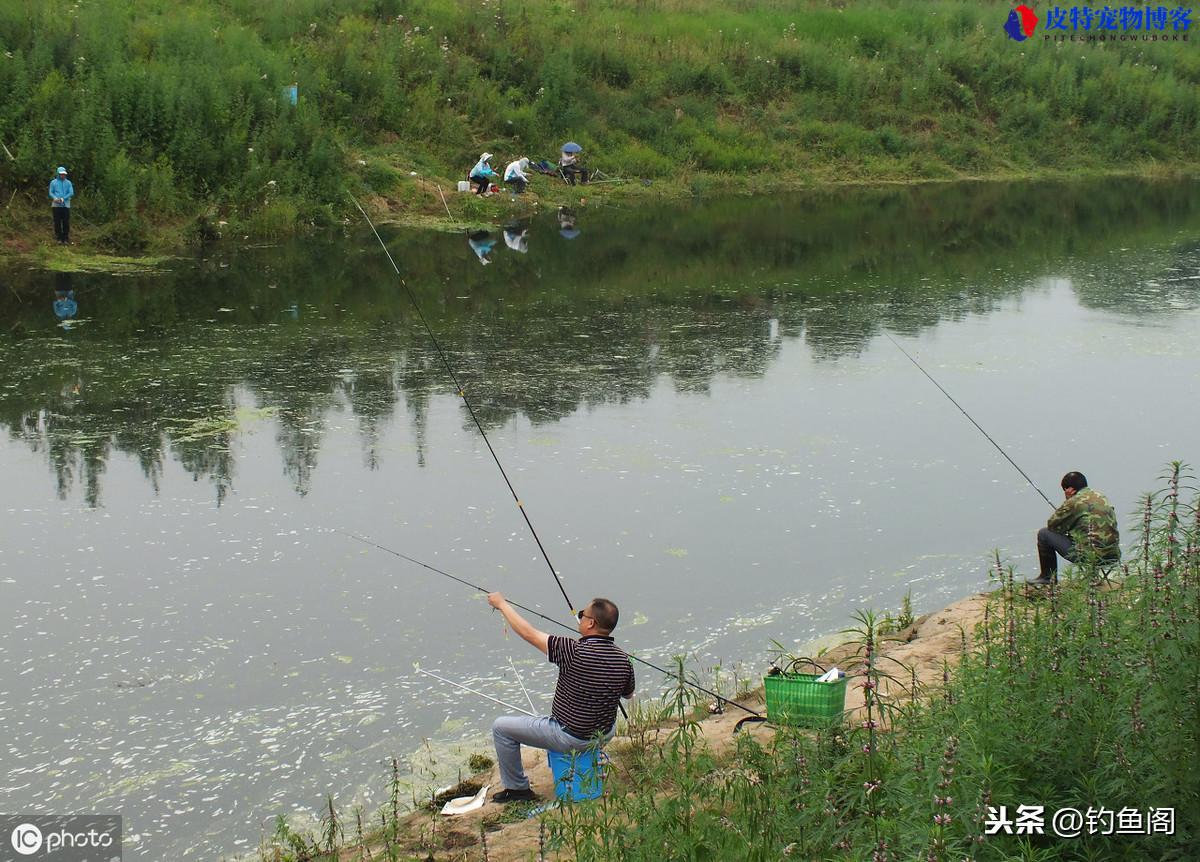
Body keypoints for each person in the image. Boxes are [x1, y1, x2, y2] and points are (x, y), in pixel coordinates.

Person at [487, 593, 634, 803]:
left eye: (583, 614)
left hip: (571, 737)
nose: (580, 617)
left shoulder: (572, 650)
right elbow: (628, 694)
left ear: (591, 623)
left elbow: (529, 634)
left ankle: (517, 790)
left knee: (501, 728)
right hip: (604, 735)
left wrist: (501, 604)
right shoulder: (623, 659)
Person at [1031, 471, 1120, 585]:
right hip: (1113, 554)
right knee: (1092, 537)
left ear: (1069, 489)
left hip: (1091, 557)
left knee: (1044, 534)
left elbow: (1052, 525)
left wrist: (1068, 500)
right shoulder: (1101, 497)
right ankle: (1093, 577)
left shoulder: (1074, 502)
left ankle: (1047, 578)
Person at [49, 166, 74, 244]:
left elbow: (71, 192)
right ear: (58, 174)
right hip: (56, 205)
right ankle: (59, 238)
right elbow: (51, 192)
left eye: (64, 174)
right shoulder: (53, 182)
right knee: (57, 222)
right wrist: (55, 198)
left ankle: (66, 238)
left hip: (66, 205)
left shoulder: (68, 182)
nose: (63, 176)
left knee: (66, 222)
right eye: (61, 174)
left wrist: (64, 198)